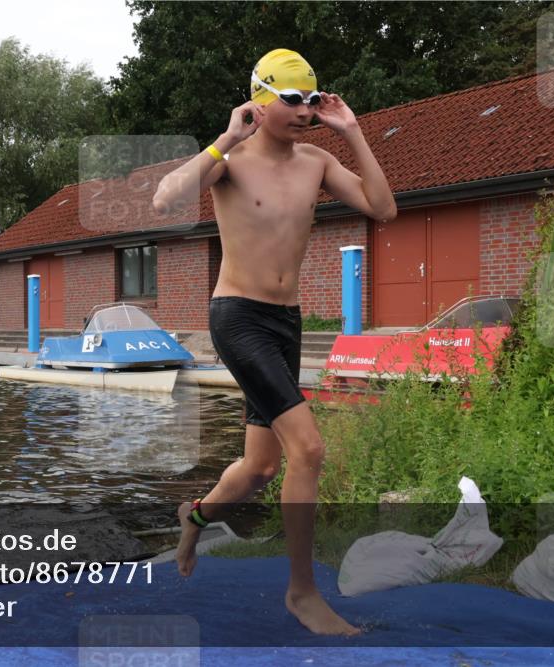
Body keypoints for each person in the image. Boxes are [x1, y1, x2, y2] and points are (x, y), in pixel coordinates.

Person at [153, 49, 396, 636]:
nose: (304, 112)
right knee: (307, 449)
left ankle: (197, 517)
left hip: (287, 324)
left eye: (311, 101)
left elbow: (383, 209)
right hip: (237, 317)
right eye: (290, 100)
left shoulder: (315, 161)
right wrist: (221, 140)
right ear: (259, 100)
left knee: (262, 465)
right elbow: (165, 199)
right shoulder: (230, 162)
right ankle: (303, 592)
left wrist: (354, 132)